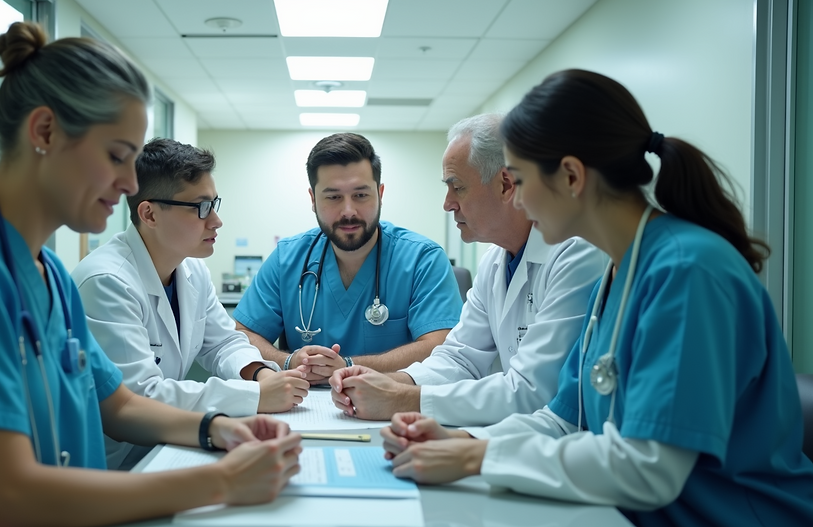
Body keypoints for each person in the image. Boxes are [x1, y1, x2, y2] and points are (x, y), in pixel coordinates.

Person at [0, 22, 301, 527]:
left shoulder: (50, 276)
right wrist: (220, 482)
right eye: (116, 156)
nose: (130, 183)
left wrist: (218, 429)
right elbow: (10, 496)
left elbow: (120, 405)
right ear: (44, 133)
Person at [380, 69, 813, 525]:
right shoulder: (618, 271)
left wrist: (478, 459)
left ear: (570, 176)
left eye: (521, 181)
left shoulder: (687, 272)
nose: (519, 202)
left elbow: (649, 469)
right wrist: (464, 441)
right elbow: (565, 419)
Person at [329, 114, 605, 424]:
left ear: (505, 184)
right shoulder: (495, 259)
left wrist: (403, 399)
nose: (447, 204)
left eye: (457, 187)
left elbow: (533, 392)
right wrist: (391, 382)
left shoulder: (576, 252)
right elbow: (461, 357)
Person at [73, 138, 310, 469]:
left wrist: (259, 376)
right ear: (150, 213)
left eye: (215, 204)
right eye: (201, 207)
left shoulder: (191, 269)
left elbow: (223, 343)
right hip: (108, 465)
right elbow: (140, 400)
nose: (216, 221)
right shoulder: (106, 281)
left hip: (165, 446)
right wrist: (253, 398)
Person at [233, 133, 463, 384]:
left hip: (395, 408)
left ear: (380, 193)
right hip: (302, 407)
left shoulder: (422, 259)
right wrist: (288, 361)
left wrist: (348, 367)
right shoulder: (287, 258)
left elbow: (440, 346)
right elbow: (243, 335)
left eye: (361, 195)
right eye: (333, 197)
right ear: (313, 199)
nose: (348, 211)